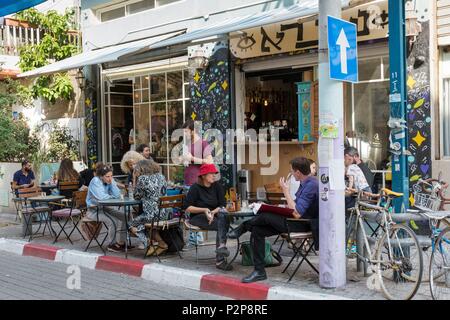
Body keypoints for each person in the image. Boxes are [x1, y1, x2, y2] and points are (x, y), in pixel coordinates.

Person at [227, 157, 319, 283]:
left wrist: (285, 190)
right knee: (257, 230)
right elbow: (295, 207)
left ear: (298, 172)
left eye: (292, 171)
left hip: (303, 224)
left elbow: (297, 213)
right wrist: (278, 208)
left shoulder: (312, 184)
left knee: (265, 216)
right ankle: (259, 271)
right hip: (294, 221)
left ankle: (243, 227)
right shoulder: (305, 183)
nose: (291, 173)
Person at [184, 163, 232, 271]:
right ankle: (220, 259)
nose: (214, 176)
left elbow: (222, 204)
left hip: (213, 216)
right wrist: (205, 210)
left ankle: (221, 250)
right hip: (197, 217)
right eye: (211, 174)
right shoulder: (195, 188)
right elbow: (187, 207)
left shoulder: (217, 186)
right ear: (203, 175)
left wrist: (213, 212)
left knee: (224, 219)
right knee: (222, 223)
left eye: (215, 173)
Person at [85, 164, 129, 253]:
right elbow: (101, 197)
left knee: (125, 217)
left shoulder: (109, 181)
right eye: (107, 176)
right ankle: (111, 245)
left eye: (111, 176)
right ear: (101, 176)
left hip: (105, 208)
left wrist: (112, 182)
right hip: (94, 210)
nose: (110, 178)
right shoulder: (95, 181)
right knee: (113, 221)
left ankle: (121, 242)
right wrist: (111, 196)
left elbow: (117, 195)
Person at [128, 159, 168, 255]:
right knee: (146, 225)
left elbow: (136, 196)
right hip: (165, 213)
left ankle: (149, 244)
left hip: (152, 215)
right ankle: (161, 244)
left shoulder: (143, 179)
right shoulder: (161, 176)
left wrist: (134, 179)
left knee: (130, 224)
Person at [181, 120, 214, 186]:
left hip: (198, 182)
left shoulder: (203, 143)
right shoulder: (188, 144)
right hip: (187, 181)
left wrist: (192, 158)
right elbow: (186, 162)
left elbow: (210, 162)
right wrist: (183, 159)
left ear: (193, 131)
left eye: (186, 131)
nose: (184, 134)